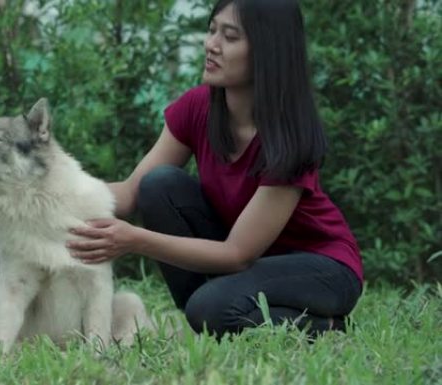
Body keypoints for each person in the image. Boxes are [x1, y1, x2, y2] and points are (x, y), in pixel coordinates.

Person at [68, 0, 363, 338]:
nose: (211, 44)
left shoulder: (289, 137)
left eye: (230, 36)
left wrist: (134, 240)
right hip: (251, 264)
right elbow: (131, 192)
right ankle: (209, 310)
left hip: (319, 267)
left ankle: (322, 325)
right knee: (159, 185)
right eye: (211, 30)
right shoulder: (198, 106)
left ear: (268, 50)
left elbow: (237, 254)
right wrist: (58, 196)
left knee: (211, 310)